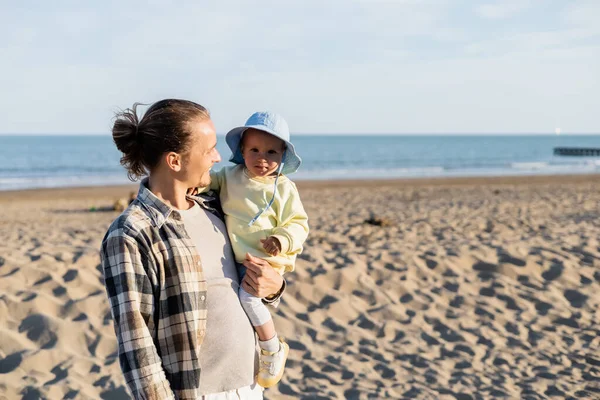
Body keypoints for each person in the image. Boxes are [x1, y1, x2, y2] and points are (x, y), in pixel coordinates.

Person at [100, 99, 286, 400]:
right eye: (209, 148)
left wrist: (276, 287)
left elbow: (246, 283)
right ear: (175, 161)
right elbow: (137, 344)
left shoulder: (215, 206)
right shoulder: (132, 232)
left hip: (250, 386)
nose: (217, 157)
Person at [194, 111, 309, 388]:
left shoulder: (283, 188)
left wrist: (281, 239)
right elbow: (207, 182)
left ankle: (272, 347)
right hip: (236, 257)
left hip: (265, 260)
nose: (262, 159)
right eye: (254, 150)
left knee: (248, 300)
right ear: (242, 151)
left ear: (282, 157)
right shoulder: (230, 176)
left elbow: (299, 224)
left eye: (271, 152)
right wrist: (193, 186)